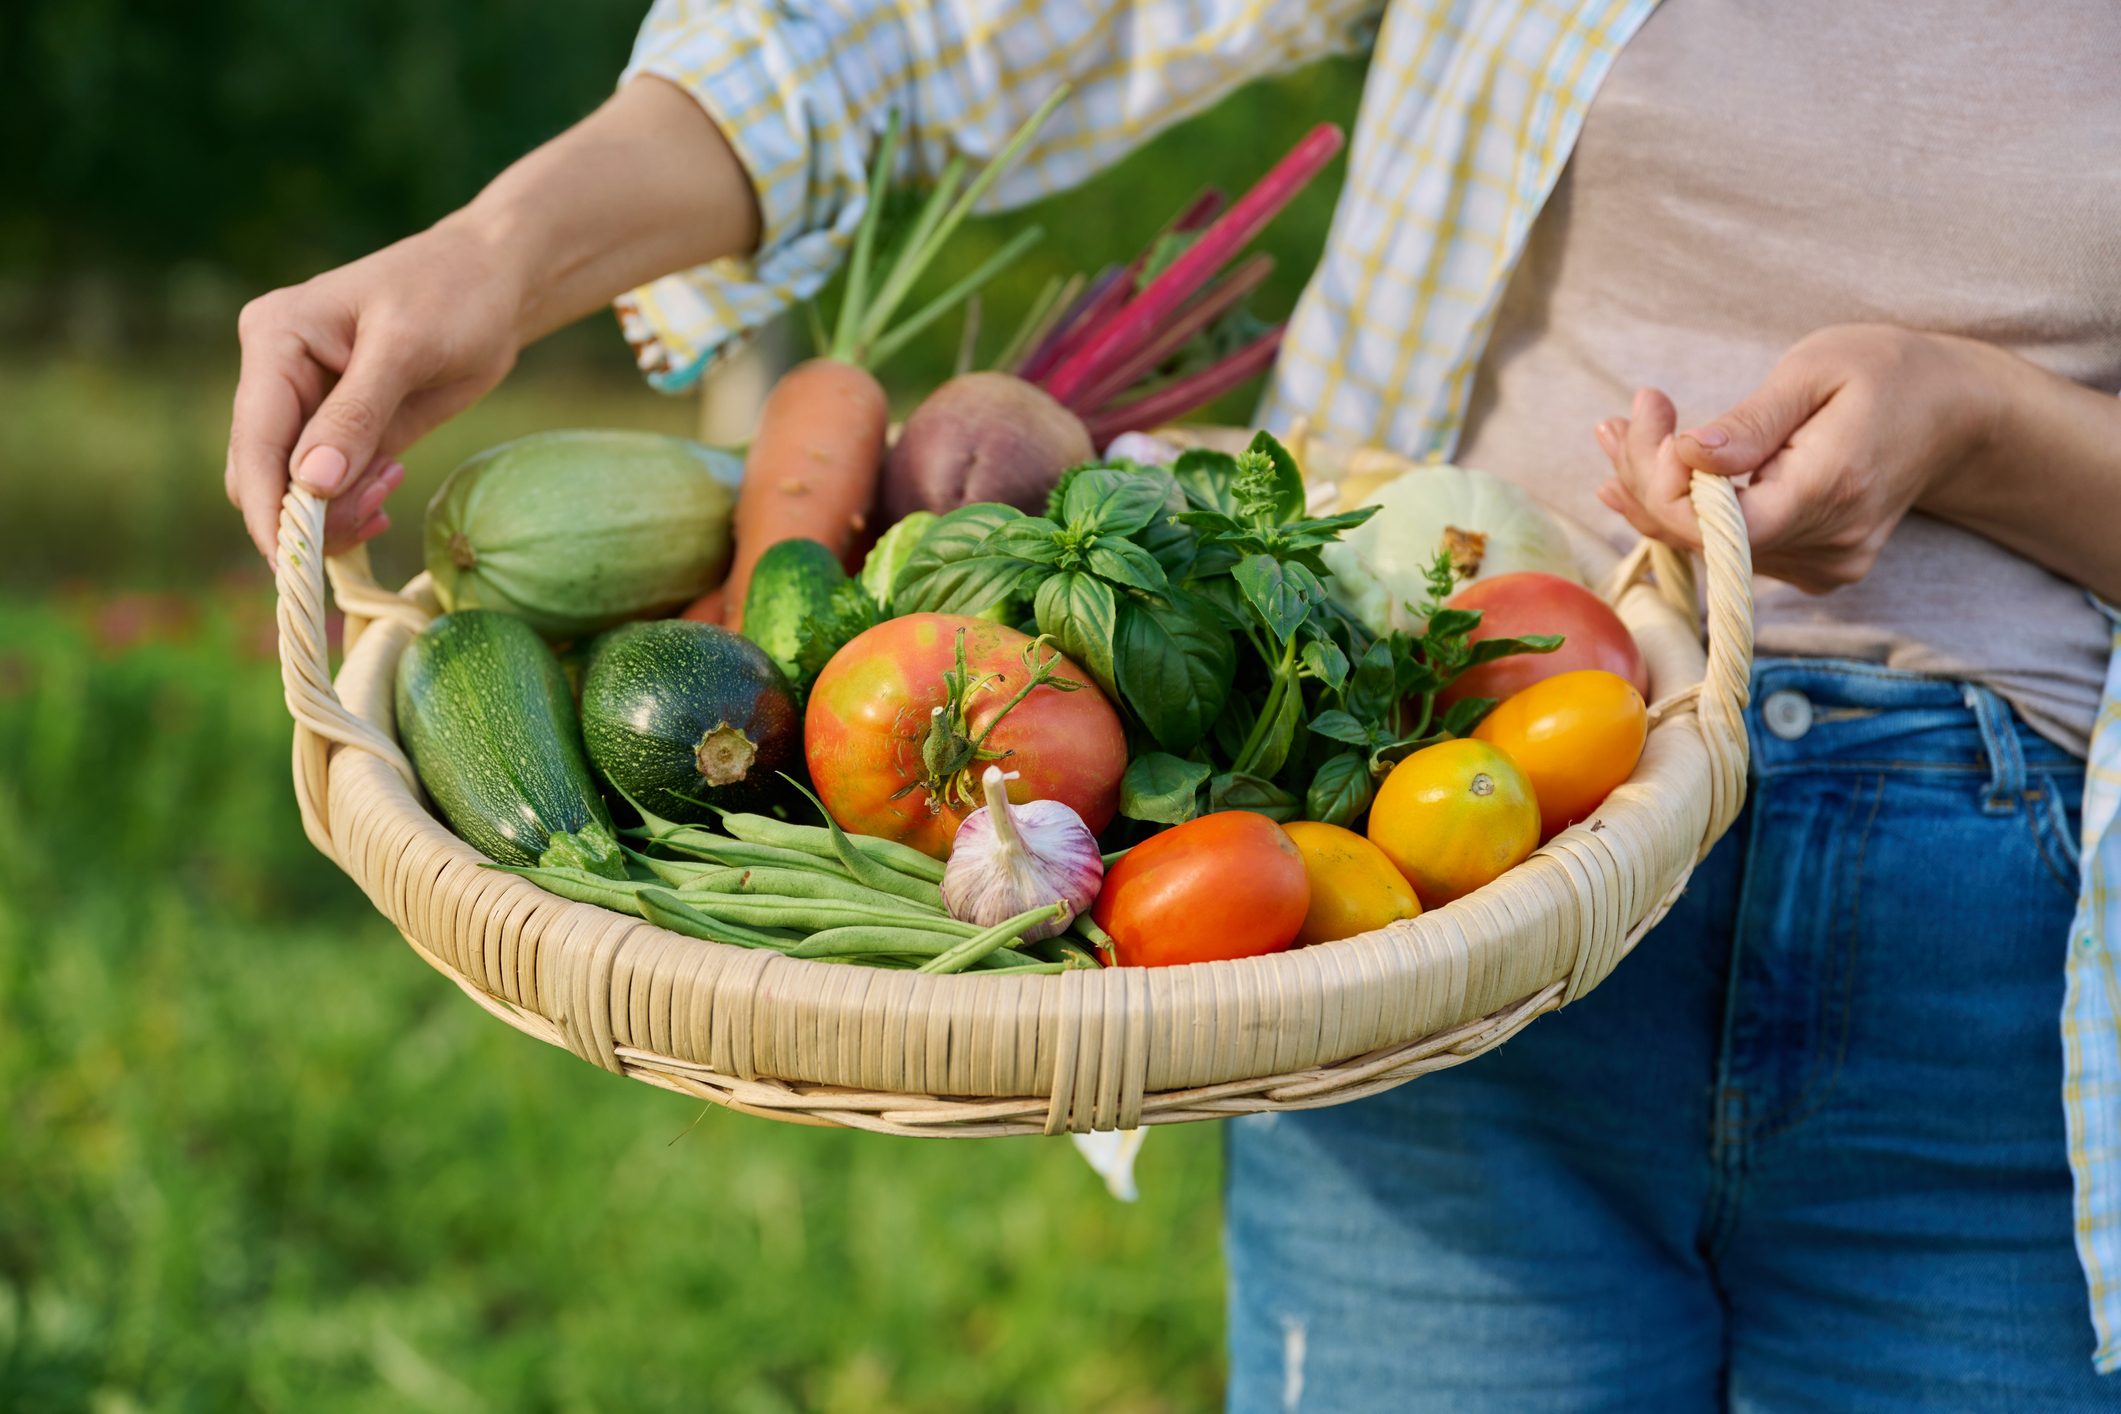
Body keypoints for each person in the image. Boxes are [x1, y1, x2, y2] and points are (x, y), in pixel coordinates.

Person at [225, 1, 2121, 1406]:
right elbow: (923, 26)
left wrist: (1989, 431)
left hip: (2023, 977)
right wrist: (493, 252)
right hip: (1440, 863)